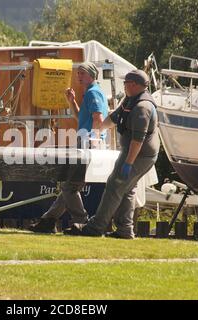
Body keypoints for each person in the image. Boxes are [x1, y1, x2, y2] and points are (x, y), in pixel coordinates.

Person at [64, 69, 160, 239]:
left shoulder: (142, 108)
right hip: (133, 151)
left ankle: (95, 227)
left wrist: (128, 164)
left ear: (134, 85)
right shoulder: (130, 100)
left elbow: (137, 141)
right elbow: (113, 118)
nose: (124, 85)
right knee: (127, 188)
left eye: (126, 83)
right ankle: (125, 230)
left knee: (115, 184)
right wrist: (97, 131)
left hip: (139, 155)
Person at [29, 62, 108, 233]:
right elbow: (81, 117)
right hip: (86, 142)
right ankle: (48, 221)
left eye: (82, 73)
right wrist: (71, 101)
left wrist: (93, 142)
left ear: (92, 75)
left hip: (87, 143)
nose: (79, 76)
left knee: (68, 186)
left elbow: (98, 118)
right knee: (69, 186)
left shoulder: (93, 92)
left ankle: (81, 221)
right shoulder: (90, 93)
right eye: (78, 73)